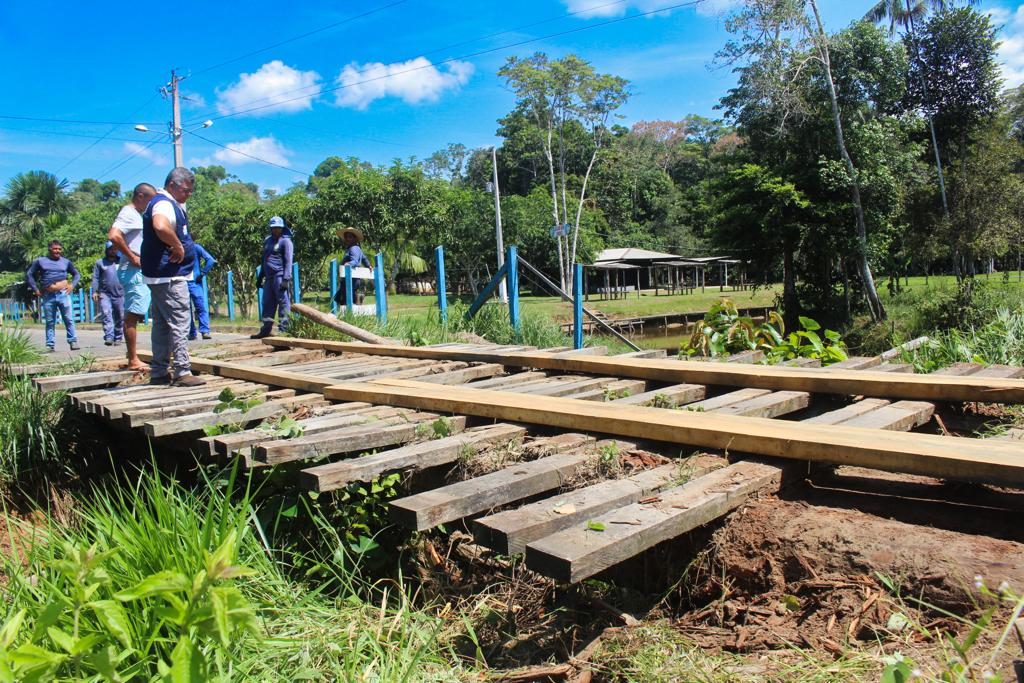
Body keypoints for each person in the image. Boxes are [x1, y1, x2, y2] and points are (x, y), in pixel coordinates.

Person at [141, 167, 205, 387]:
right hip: (170, 276)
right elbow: (160, 225)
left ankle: (159, 372)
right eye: (186, 190)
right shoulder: (164, 204)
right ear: (172, 186)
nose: (188, 195)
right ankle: (182, 371)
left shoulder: (167, 203)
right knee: (180, 322)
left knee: (161, 324)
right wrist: (176, 245)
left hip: (160, 276)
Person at [108, 182, 157, 371]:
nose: (152, 205)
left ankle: (134, 356)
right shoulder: (128, 212)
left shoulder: (137, 215)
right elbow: (113, 236)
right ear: (140, 196)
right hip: (133, 270)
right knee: (133, 314)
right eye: (150, 200)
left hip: (141, 269)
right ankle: (133, 359)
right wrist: (132, 256)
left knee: (139, 311)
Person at [26, 240, 80, 352]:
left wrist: (72, 285)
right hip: (48, 296)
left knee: (68, 319)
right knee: (50, 321)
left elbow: (76, 274)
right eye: (55, 249)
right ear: (50, 249)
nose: (57, 251)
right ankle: (50, 345)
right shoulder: (41, 261)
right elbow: (29, 274)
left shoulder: (66, 262)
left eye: (59, 249)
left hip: (63, 294)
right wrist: (35, 289)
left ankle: (73, 341)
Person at [252, 216, 293, 339]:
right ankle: (265, 330)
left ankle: (284, 330)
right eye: (274, 228)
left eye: (278, 228)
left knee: (283, 304)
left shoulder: (286, 241)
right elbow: (265, 259)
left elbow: (288, 261)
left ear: (282, 228)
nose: (276, 230)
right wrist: (260, 277)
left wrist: (286, 279)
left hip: (280, 276)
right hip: (269, 278)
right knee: (267, 303)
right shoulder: (267, 241)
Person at [91, 241, 125, 346]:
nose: (113, 251)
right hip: (105, 294)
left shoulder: (122, 261)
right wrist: (94, 291)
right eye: (111, 249)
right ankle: (109, 337)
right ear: (107, 250)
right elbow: (95, 278)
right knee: (106, 313)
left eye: (115, 249)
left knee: (120, 315)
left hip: (120, 293)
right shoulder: (100, 263)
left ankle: (118, 337)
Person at [333, 226, 371, 308]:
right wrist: (369, 265)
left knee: (344, 301)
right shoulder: (355, 249)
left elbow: (355, 261)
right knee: (342, 300)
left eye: (350, 237)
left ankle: (348, 318)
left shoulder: (353, 248)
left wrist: (348, 264)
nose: (347, 239)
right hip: (350, 279)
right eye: (346, 237)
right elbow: (364, 259)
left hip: (351, 280)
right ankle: (348, 317)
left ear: (355, 239)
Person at [188, 243, 217, 340]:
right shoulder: (193, 247)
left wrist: (203, 273)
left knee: (197, 307)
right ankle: (194, 333)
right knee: (190, 308)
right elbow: (211, 260)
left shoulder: (195, 247)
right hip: (186, 282)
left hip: (191, 282)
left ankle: (202, 331)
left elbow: (211, 260)